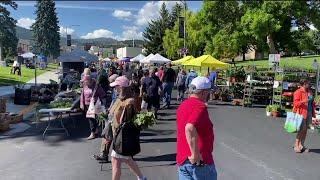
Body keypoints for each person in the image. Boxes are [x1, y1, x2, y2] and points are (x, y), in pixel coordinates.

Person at [176, 76, 217, 180]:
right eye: (208, 92)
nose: (209, 95)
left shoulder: (183, 105)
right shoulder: (200, 106)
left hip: (183, 159)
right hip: (199, 161)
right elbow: (189, 127)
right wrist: (195, 154)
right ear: (203, 92)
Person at [109, 76, 147, 180]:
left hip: (123, 137)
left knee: (116, 161)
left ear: (121, 87)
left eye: (116, 86)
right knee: (127, 159)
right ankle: (141, 177)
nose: (114, 88)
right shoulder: (121, 99)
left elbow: (127, 121)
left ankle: (141, 177)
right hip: (120, 136)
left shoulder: (129, 102)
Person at [93, 74, 119, 162]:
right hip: (111, 116)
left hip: (116, 118)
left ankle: (120, 156)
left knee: (113, 137)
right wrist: (109, 109)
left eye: (111, 82)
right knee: (106, 135)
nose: (110, 84)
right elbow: (113, 101)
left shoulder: (122, 91)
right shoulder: (115, 90)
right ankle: (103, 154)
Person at [80, 75, 106, 140]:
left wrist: (102, 104)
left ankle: (93, 133)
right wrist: (82, 104)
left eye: (85, 81)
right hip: (87, 105)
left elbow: (103, 94)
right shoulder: (84, 86)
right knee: (92, 119)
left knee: (91, 119)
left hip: (95, 104)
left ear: (89, 80)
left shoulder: (96, 86)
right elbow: (82, 95)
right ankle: (95, 131)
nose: (84, 83)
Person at [293, 79, 315, 153]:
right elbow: (296, 104)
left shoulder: (309, 91)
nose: (309, 85)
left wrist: (314, 102)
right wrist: (306, 100)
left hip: (309, 112)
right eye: (308, 83)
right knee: (301, 130)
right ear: (304, 84)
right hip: (301, 113)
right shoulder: (298, 92)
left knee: (305, 130)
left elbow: (311, 101)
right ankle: (296, 145)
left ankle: (301, 145)